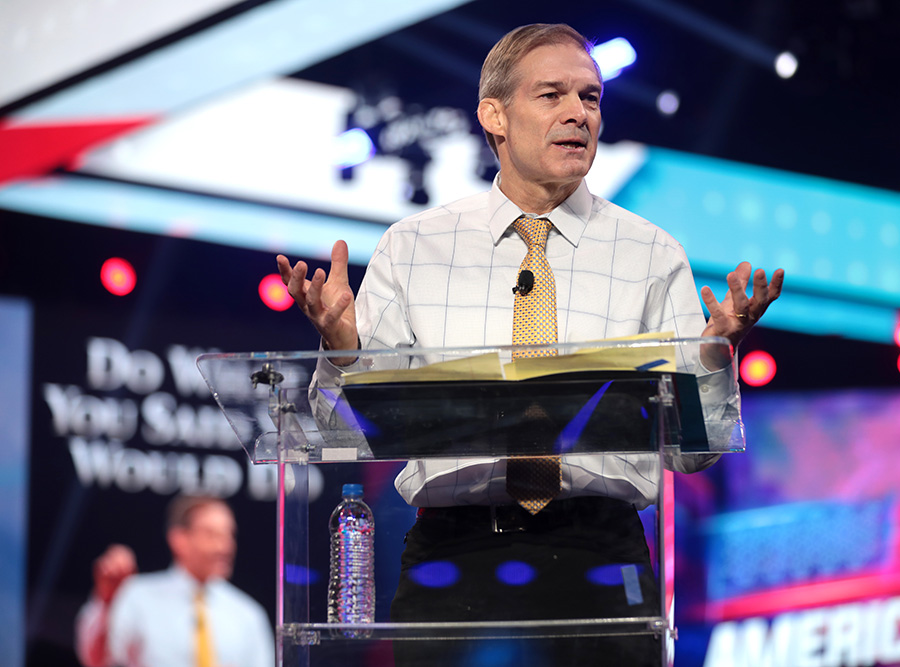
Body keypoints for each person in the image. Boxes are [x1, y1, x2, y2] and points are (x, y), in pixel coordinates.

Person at [277, 23, 783, 666]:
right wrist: (344, 351)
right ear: (495, 116)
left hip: (600, 556)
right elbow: (342, 431)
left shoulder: (652, 253)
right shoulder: (415, 246)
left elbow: (696, 454)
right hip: (451, 558)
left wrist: (713, 356)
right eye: (552, 95)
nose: (578, 113)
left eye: (591, 98)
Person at [75, 495, 274, 667]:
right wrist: (108, 604)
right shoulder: (136, 595)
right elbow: (95, 660)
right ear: (179, 539)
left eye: (229, 535)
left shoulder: (248, 614)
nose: (225, 547)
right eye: (211, 535)